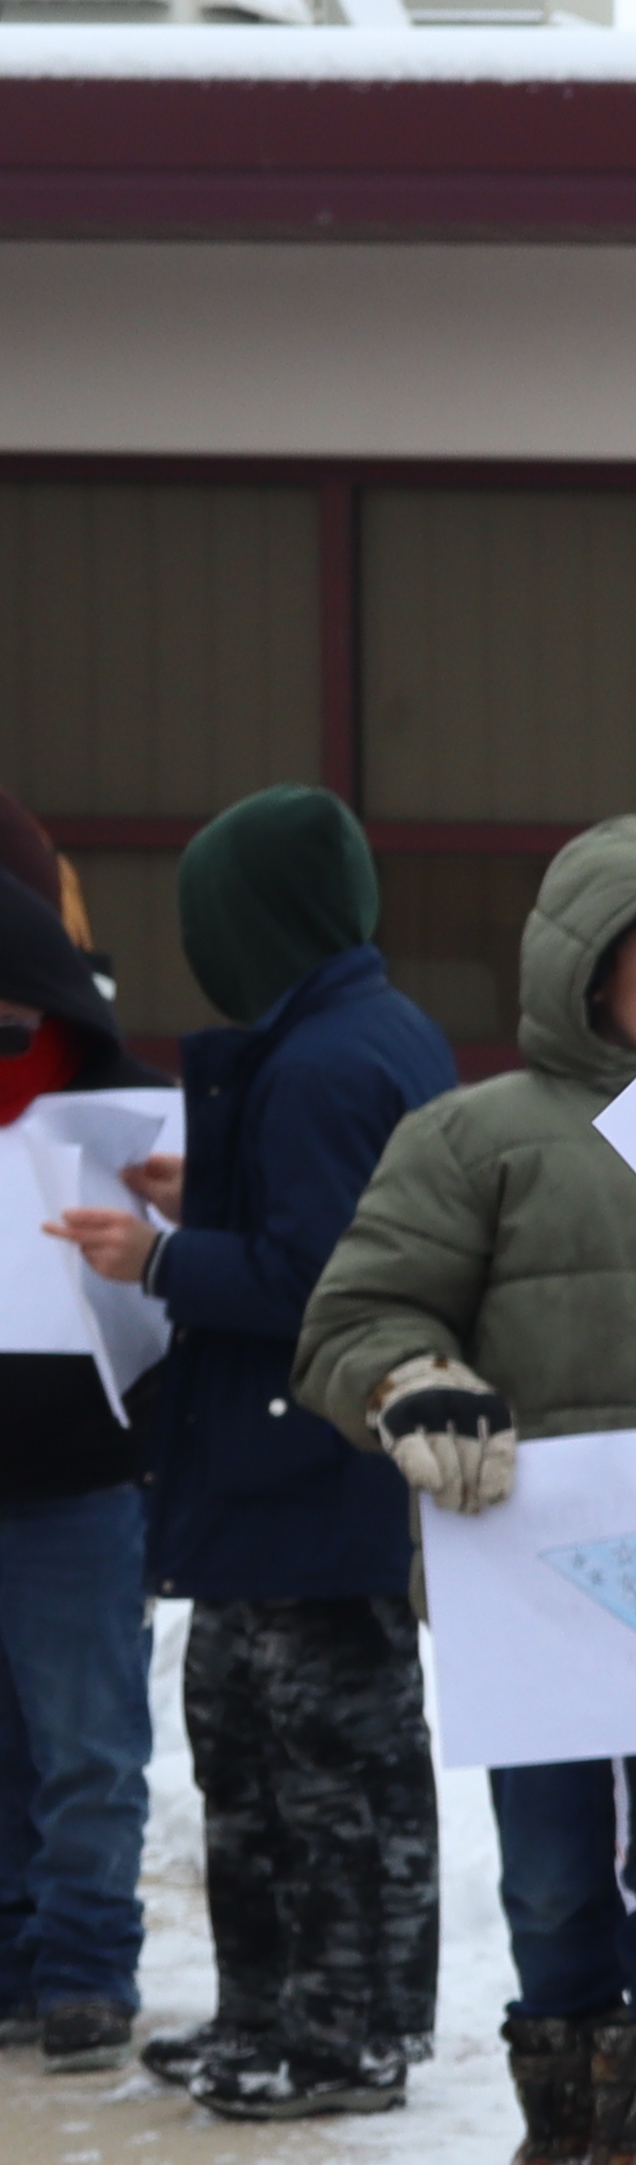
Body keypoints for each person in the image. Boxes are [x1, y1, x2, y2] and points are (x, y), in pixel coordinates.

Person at [297, 815, 636, 2165]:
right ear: (592, 965)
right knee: (552, 1868)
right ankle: (562, 2125)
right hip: (534, 1590)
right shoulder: (473, 1139)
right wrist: (409, 1382)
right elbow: (357, 1315)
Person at [61, 784, 453, 2121]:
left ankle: (339, 2038)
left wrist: (159, 1255)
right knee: (253, 1756)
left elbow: (321, 1279)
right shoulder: (349, 1035)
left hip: (305, 1475)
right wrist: (201, 1194)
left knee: (323, 1776)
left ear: (255, 922)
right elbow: (319, 1212)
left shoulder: (333, 1060)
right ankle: (273, 2013)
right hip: (287, 1477)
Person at [0, 791, 164, 2071]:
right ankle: (22, 1959)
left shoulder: (109, 1112)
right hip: (69, 1466)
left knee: (88, 1745)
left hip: (75, 1475)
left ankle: (85, 1968)